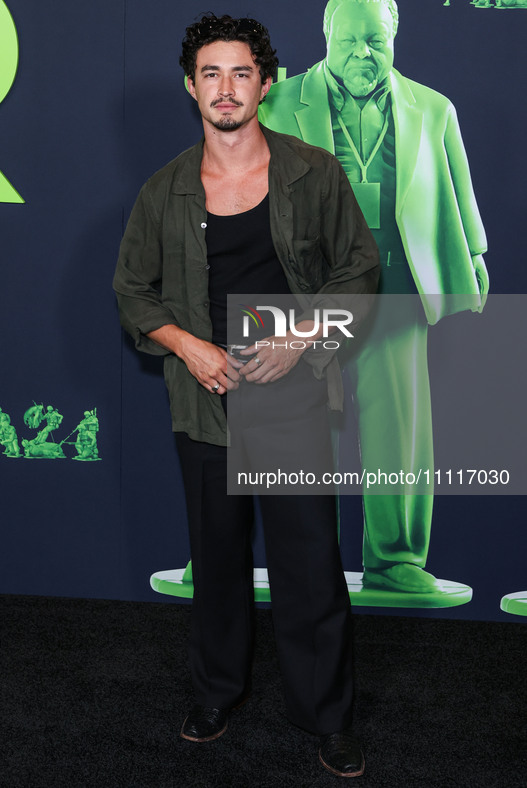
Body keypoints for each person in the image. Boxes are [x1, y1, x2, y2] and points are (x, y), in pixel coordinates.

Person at [114, 14, 379, 777]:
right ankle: (215, 693)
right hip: (205, 397)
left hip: (291, 397)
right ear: (190, 87)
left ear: (265, 83)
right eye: (209, 74)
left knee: (309, 567)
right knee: (216, 560)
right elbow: (133, 291)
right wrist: (187, 344)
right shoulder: (164, 189)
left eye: (239, 74)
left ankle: (326, 717)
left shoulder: (312, 172)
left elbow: (358, 273)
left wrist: (300, 337)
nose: (224, 89)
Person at [260, 0, 488, 595]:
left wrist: (477, 255)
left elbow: (456, 187)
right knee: (308, 427)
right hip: (311, 292)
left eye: (376, 41)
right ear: (327, 35)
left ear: (394, 38)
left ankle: (396, 560)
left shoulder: (432, 108)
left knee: (401, 430)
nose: (363, 53)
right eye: (351, 40)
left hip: (395, 290)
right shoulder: (278, 103)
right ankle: (308, 557)